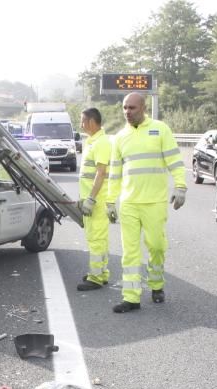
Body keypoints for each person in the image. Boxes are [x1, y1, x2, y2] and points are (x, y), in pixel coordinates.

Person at [105, 93, 186, 313]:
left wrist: (180, 187)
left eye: (132, 108)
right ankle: (131, 297)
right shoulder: (120, 137)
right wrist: (110, 201)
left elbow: (175, 162)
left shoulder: (160, 129)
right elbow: (115, 173)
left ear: (143, 108)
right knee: (130, 252)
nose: (127, 112)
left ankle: (156, 284)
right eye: (124, 108)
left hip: (155, 202)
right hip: (129, 203)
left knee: (156, 247)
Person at [76, 107, 112, 291]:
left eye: (82, 121)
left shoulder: (101, 143)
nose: (80, 124)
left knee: (96, 238)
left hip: (97, 200)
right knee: (99, 238)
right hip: (91, 198)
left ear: (91, 122)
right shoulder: (91, 141)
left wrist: (91, 199)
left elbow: (101, 173)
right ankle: (101, 273)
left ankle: (96, 278)